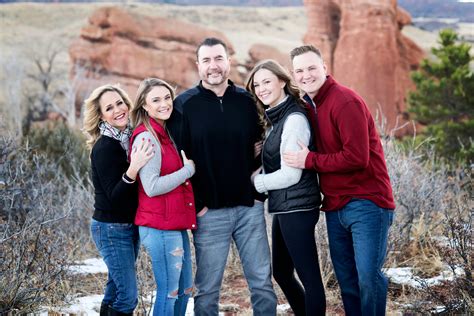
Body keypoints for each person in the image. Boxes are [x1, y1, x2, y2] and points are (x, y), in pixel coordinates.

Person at [167, 37, 277, 316]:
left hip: (248, 208)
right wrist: (199, 205)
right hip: (209, 213)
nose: (213, 66)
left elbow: (264, 145)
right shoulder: (184, 105)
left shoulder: (247, 100)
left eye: (219, 59)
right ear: (198, 65)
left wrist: (257, 193)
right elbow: (177, 160)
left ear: (229, 62)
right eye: (206, 60)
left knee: (262, 284)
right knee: (207, 291)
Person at [283, 45, 396, 316]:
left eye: (312, 68)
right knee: (347, 282)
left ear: (324, 68)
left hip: (367, 202)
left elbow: (357, 158)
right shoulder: (310, 106)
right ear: (294, 76)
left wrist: (309, 160)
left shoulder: (345, 101)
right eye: (299, 70)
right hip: (334, 206)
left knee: (368, 278)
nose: (306, 75)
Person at [246, 59, 326, 315]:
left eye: (267, 81)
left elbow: (291, 174)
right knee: (281, 271)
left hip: (298, 206)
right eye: (257, 84)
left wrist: (256, 182)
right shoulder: (278, 116)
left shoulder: (293, 119)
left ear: (282, 81)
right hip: (285, 205)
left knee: (310, 278)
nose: (261, 89)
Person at [83, 84, 154, 316]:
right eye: (109, 107)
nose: (117, 110)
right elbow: (114, 197)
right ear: (101, 115)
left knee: (115, 290)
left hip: (128, 225)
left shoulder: (129, 138)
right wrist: (133, 168)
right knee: (127, 296)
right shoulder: (105, 147)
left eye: (120, 103)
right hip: (111, 227)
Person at [129, 78, 196, 316]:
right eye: (156, 100)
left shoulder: (164, 133)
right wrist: (187, 171)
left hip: (174, 224)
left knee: (184, 290)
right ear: (144, 106)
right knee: (169, 292)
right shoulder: (147, 138)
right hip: (159, 227)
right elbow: (152, 186)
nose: (164, 104)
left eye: (167, 98)